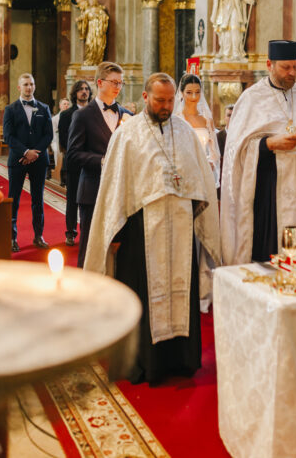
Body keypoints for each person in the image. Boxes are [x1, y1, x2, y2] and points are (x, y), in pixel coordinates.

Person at [84, 73, 220, 385]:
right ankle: (144, 364)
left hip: (182, 229)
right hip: (142, 231)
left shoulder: (185, 132)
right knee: (143, 294)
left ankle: (181, 360)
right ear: (146, 97)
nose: (166, 106)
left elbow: (201, 180)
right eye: (160, 100)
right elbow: (115, 190)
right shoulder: (127, 135)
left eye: (171, 100)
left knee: (181, 290)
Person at [220, 40, 296, 265]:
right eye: (286, 68)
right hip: (268, 189)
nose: (292, 73)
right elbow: (237, 149)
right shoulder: (252, 98)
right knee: (270, 255)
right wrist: (270, 144)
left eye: (295, 67)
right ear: (269, 64)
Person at [66, 62, 132, 266]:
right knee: (89, 245)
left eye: (121, 83)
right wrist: (101, 161)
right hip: (92, 188)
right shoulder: (82, 115)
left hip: (121, 190)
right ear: (100, 82)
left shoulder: (126, 115)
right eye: (114, 82)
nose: (118, 87)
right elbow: (73, 154)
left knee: (119, 244)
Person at [3, 73, 53, 252]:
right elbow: (8, 136)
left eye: (31, 84)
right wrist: (25, 152)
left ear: (34, 86)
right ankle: (11, 238)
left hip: (39, 160)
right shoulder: (10, 109)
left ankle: (38, 236)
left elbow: (48, 134)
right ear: (19, 87)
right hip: (18, 159)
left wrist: (34, 153)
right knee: (13, 199)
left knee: (38, 199)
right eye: (25, 84)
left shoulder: (44, 108)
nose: (29, 87)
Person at [58, 80, 92, 245]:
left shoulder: (95, 113)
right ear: (75, 93)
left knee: (91, 198)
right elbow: (64, 140)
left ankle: (90, 231)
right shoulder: (66, 115)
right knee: (72, 199)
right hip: (74, 162)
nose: (84, 92)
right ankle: (70, 232)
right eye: (80, 90)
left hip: (92, 163)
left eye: (86, 89)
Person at [174, 73, 220, 188]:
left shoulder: (207, 120)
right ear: (182, 93)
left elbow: (214, 151)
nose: (194, 97)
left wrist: (211, 162)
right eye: (189, 93)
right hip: (183, 171)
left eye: (197, 92)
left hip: (204, 171)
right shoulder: (176, 119)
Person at [75, 0, 109, 66]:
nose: (91, 2)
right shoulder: (88, 10)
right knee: (90, 43)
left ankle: (97, 60)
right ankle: (90, 60)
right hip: (91, 29)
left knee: (98, 44)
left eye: (92, 1)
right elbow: (83, 17)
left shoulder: (100, 9)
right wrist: (79, 20)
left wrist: (100, 18)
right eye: (90, 1)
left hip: (98, 29)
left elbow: (105, 17)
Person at [51, 97, 70, 180]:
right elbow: (54, 133)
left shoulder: (72, 116)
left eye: (68, 104)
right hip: (55, 140)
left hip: (68, 140)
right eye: (64, 104)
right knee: (57, 150)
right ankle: (58, 171)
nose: (66, 106)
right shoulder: (54, 119)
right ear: (60, 106)